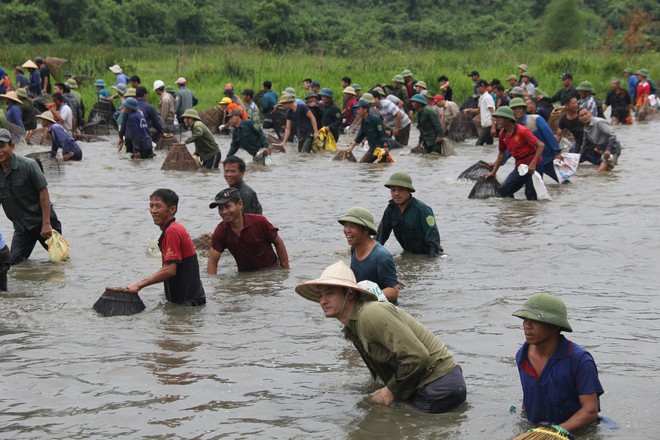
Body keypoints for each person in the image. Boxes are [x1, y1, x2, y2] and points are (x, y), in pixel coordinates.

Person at [295, 261, 466, 412]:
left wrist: (389, 391)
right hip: (427, 385)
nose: (323, 301)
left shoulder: (372, 313)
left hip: (438, 386)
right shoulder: (352, 327)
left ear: (350, 293)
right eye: (321, 295)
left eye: (330, 293)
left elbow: (417, 356)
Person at [513, 293, 603, 433]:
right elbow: (529, 396)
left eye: (535, 321)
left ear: (554, 327)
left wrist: (555, 432)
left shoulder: (579, 360)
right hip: (537, 430)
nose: (527, 326)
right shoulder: (522, 356)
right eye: (525, 319)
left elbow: (590, 410)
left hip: (573, 432)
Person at [127, 189, 206, 307]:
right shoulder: (174, 229)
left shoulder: (172, 231)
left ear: (172, 209)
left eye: (158, 206)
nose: (153, 211)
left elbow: (169, 270)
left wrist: (139, 285)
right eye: (151, 206)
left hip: (187, 303)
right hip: (190, 299)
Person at [0, 128, 63, 264]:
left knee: (60, 261)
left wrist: (46, 223)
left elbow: (43, 192)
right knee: (13, 264)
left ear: (11, 147)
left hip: (43, 222)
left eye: (2, 146)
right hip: (22, 227)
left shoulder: (29, 165)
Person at [207, 187, 289, 274]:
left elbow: (278, 243)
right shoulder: (221, 231)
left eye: (227, 206)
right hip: (245, 276)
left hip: (271, 271)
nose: (224, 212)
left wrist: (285, 269)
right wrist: (213, 283)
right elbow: (212, 261)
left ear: (240, 204)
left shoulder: (259, 222)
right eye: (220, 208)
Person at [338, 207, 399, 304]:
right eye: (345, 225)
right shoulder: (354, 247)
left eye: (352, 226)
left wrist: (364, 296)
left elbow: (393, 292)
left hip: (381, 310)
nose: (347, 230)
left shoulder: (381, 257)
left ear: (366, 230)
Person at [484, 106, 545, 200]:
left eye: (500, 118)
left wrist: (533, 164)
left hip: (534, 165)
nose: (497, 121)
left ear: (508, 119)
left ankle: (530, 213)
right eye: (496, 118)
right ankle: (513, 211)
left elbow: (540, 145)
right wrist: (494, 172)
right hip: (520, 166)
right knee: (504, 190)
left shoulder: (523, 131)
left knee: (530, 195)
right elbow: (501, 153)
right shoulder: (502, 134)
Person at [377, 172, 443, 256]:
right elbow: (381, 236)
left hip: (426, 255)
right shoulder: (391, 209)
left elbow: (433, 240)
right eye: (393, 190)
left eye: (401, 190)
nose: (396, 194)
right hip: (408, 253)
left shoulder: (423, 210)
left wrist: (430, 262)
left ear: (409, 191)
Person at [509, 98, 561, 183]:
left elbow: (549, 136)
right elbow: (510, 148)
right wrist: (499, 163)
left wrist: (556, 152)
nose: (517, 111)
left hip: (547, 159)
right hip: (528, 162)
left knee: (563, 181)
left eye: (520, 108)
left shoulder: (536, 119)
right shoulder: (513, 127)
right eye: (514, 109)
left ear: (524, 109)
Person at [577, 107, 622, 172]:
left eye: (586, 114)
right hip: (602, 150)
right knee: (605, 172)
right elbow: (585, 145)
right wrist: (578, 160)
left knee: (600, 172)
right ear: (579, 118)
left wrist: (608, 150)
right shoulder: (586, 128)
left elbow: (612, 135)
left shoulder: (599, 122)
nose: (584, 117)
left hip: (612, 148)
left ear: (590, 113)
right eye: (582, 116)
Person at [464, 79, 496, 145]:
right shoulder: (481, 97)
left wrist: (493, 127)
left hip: (488, 125)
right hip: (485, 125)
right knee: (489, 145)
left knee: (478, 144)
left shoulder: (487, 98)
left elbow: (493, 112)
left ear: (483, 87)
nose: (477, 88)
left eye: (478, 87)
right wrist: (469, 110)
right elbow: (479, 110)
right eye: (476, 87)